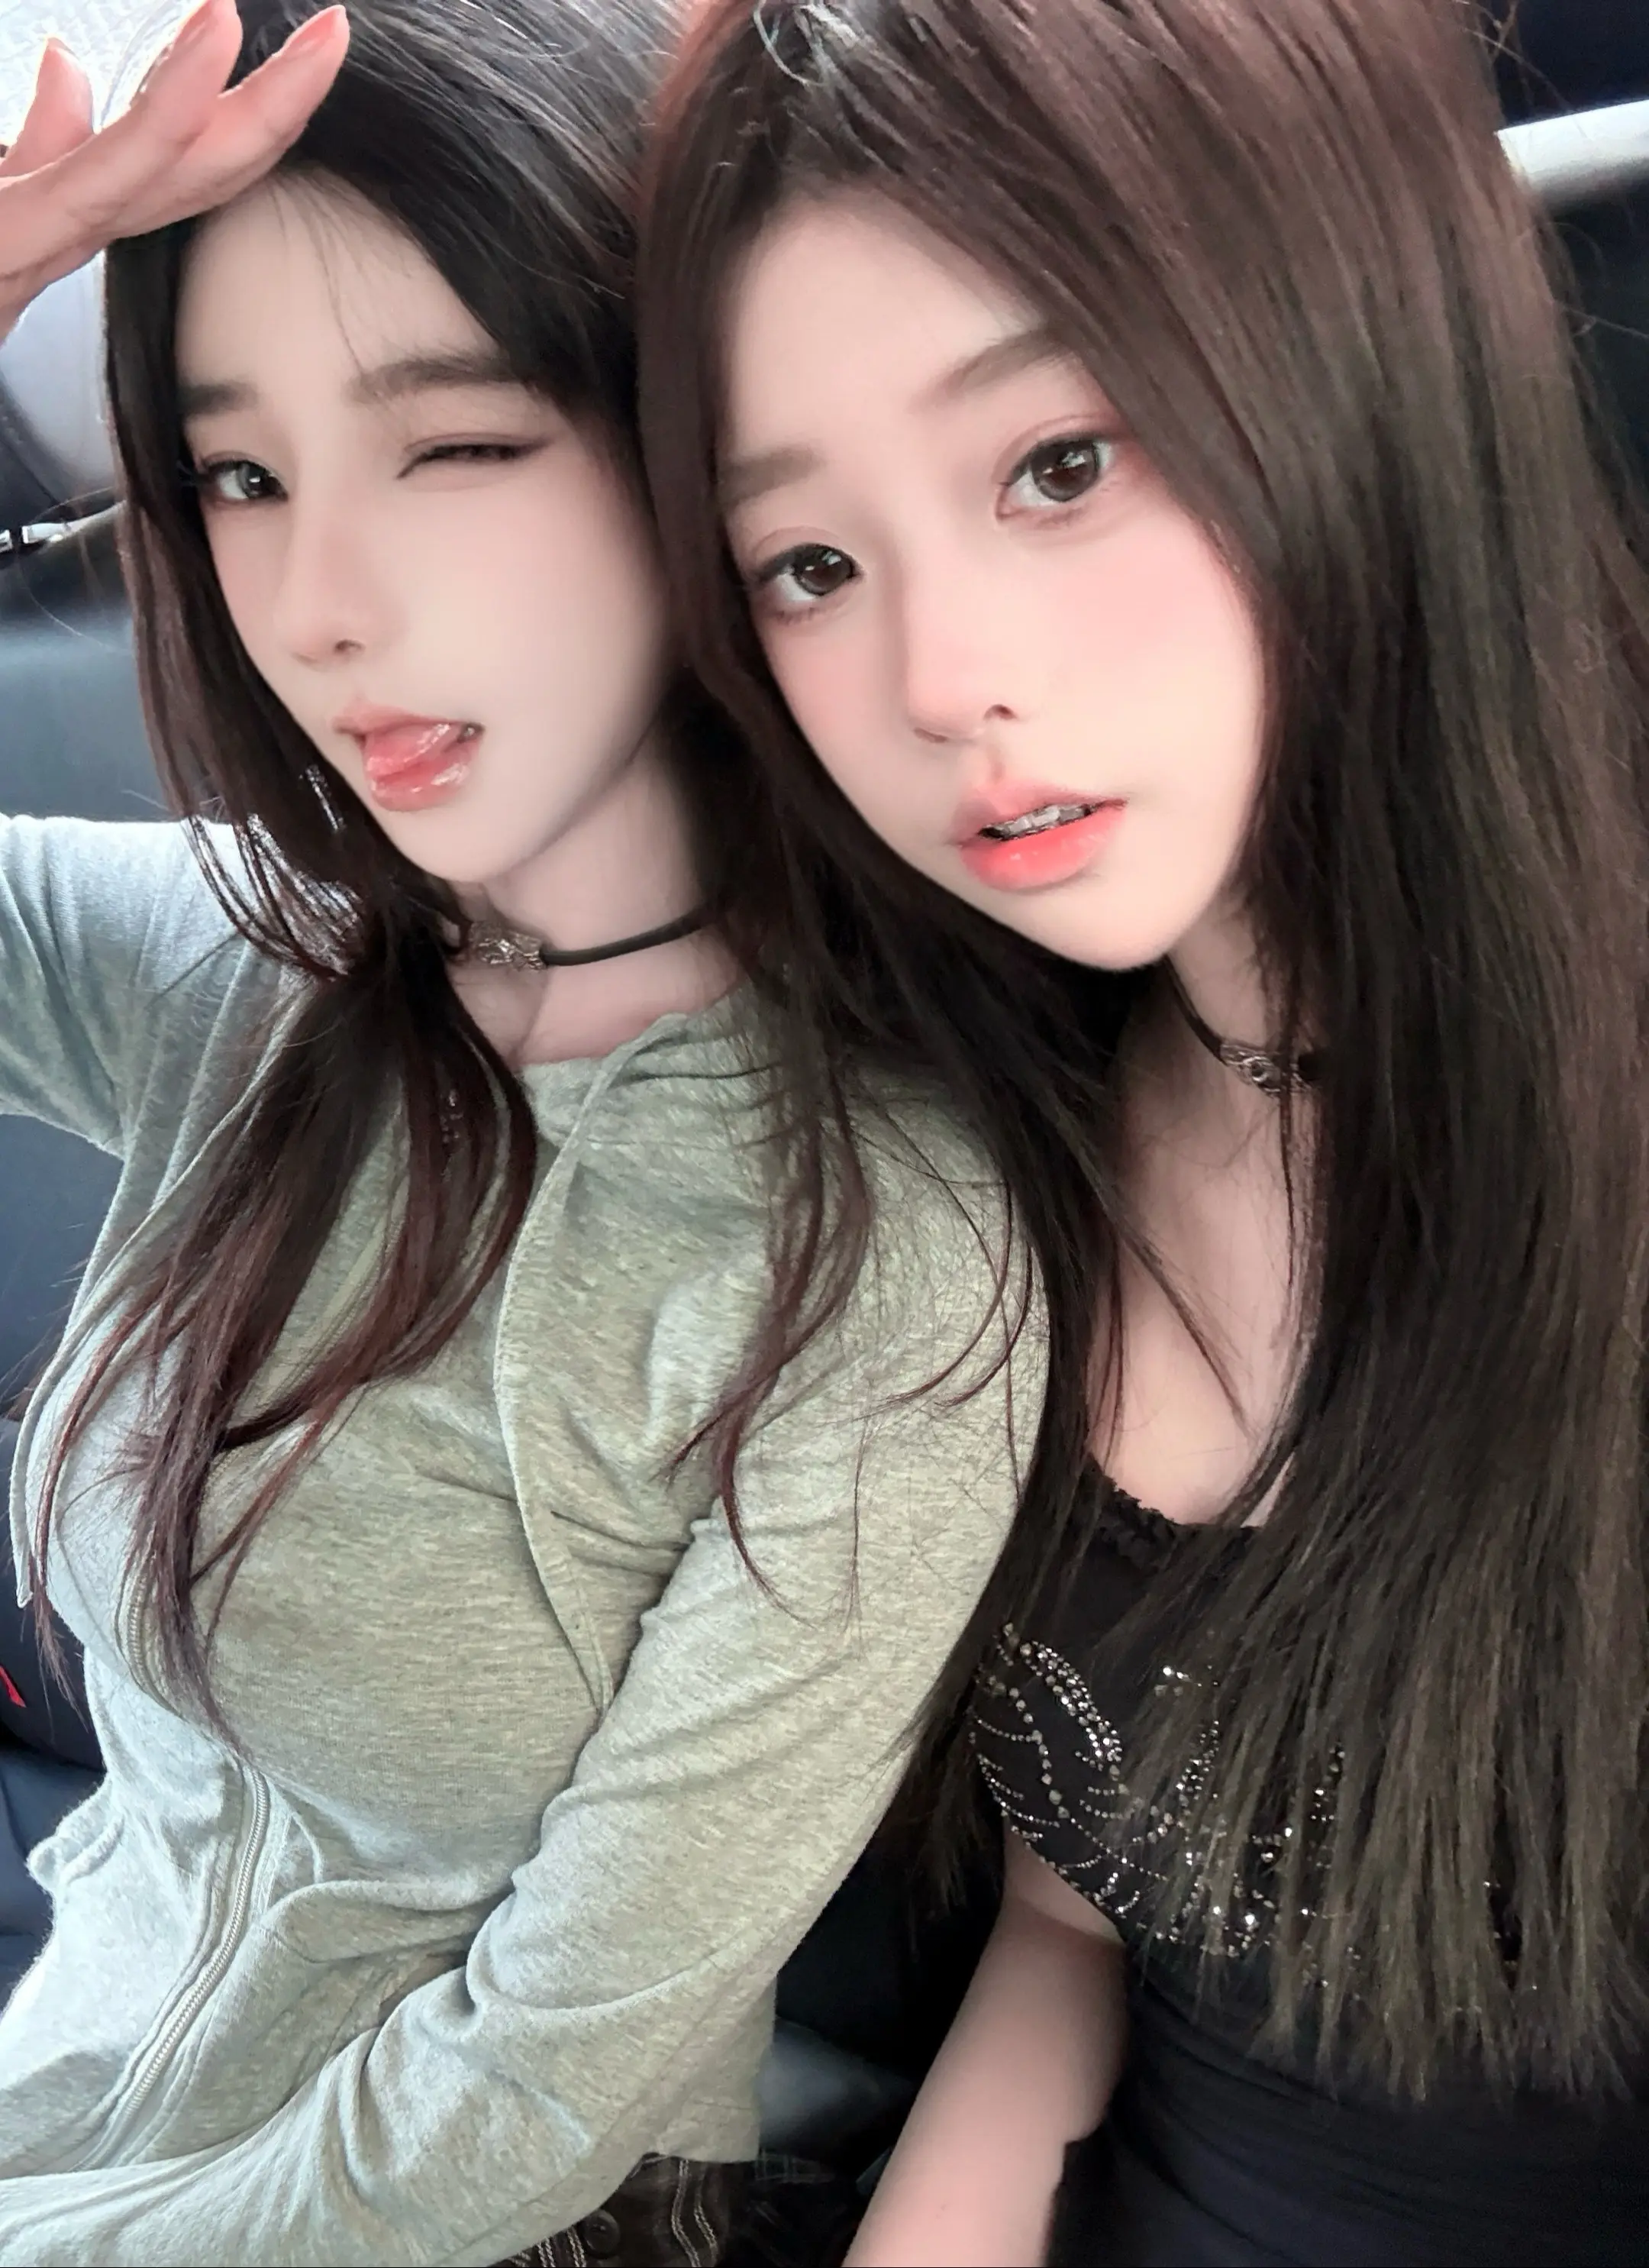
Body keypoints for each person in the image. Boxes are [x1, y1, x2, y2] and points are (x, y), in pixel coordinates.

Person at [0, 3, 1047, 2260]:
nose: (322, 603)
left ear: (683, 441)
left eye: (455, 446)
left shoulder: (881, 1236)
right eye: (240, 478)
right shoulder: (242, 966)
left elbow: (536, 2097)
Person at [637, 0, 1649, 2260]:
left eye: (1059, 463)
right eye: (811, 564)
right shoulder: (977, 1156)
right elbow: (1073, 1932)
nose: (933, 682)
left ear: (1367, 355)